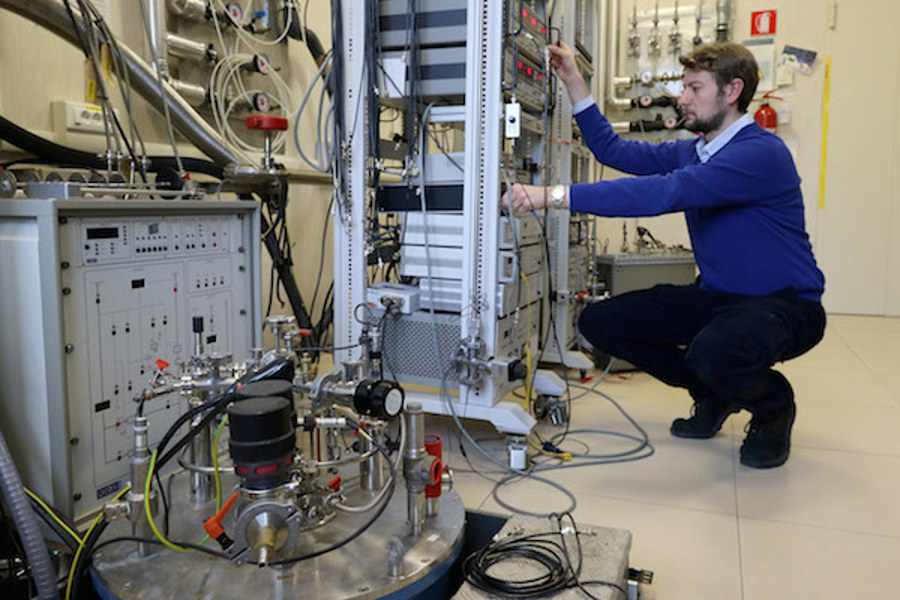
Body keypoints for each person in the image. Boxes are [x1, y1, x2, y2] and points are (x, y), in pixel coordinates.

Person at [501, 41, 826, 469]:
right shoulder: (695, 151)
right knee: (599, 323)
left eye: (695, 88)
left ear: (732, 91)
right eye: (684, 88)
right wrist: (574, 83)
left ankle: (773, 405)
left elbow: (664, 193)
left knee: (713, 351)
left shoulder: (760, 153)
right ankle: (715, 392)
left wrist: (551, 195)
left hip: (785, 306)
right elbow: (614, 152)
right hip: (718, 298)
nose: (683, 99)